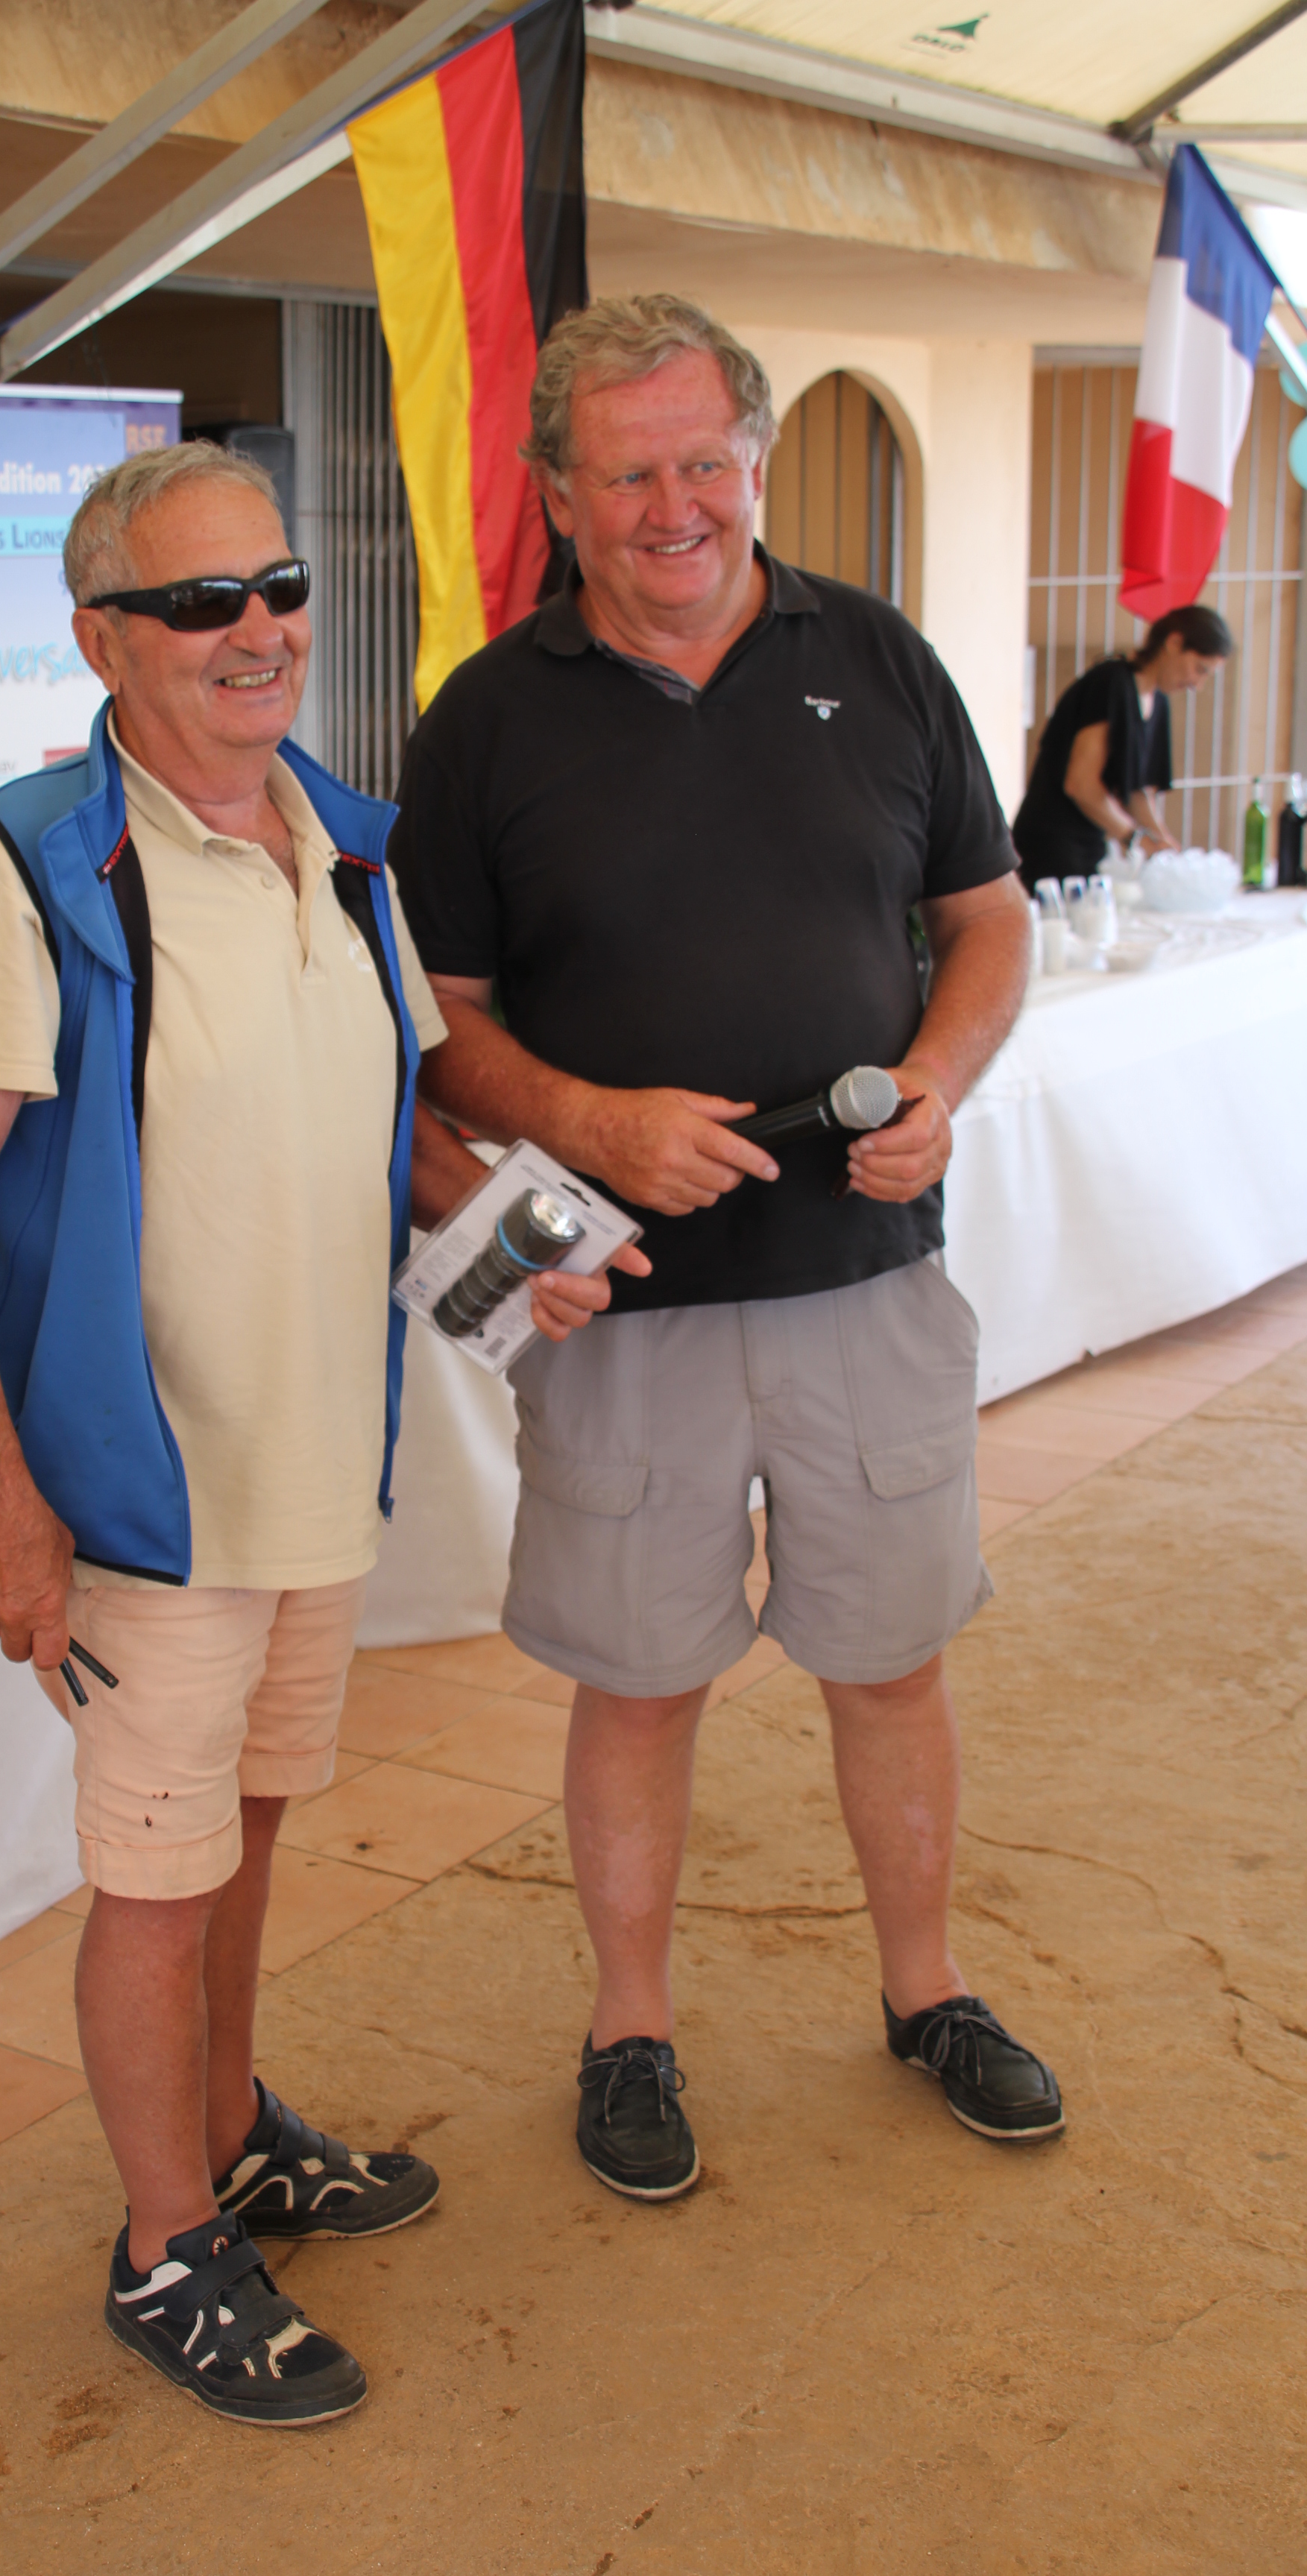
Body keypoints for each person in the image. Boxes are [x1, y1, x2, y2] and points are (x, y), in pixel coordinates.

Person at [0, 442, 621, 2428]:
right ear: (101, 639)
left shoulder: (350, 848)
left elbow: (388, 1129)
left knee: (246, 1831)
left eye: (276, 588)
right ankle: (163, 2247)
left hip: (312, 1467)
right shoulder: (27, 865)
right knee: (153, 1873)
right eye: (201, 601)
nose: (258, 630)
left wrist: (521, 1244)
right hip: (143, 1492)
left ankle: (225, 2136)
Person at [390, 291, 1064, 2207]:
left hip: (868, 1272)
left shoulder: (881, 658)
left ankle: (927, 1991)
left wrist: (937, 1077)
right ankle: (630, 2028)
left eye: (704, 460)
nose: (674, 505)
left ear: (755, 457)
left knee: (892, 1659)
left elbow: (988, 915)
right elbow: (439, 1024)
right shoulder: (485, 718)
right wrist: (589, 1122)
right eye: (628, 474)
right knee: (637, 1679)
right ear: (558, 494)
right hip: (623, 1299)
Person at [1011, 604, 1232, 891]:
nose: (1197, 684)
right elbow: (1081, 785)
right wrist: (1134, 838)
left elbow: (1138, 793)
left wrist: (1164, 846)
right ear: (1174, 643)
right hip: (1051, 845)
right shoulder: (1111, 682)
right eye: (1199, 669)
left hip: (1092, 845)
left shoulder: (1158, 701)